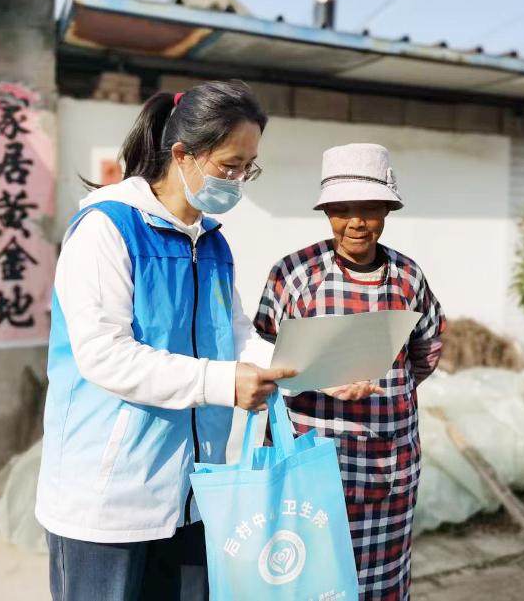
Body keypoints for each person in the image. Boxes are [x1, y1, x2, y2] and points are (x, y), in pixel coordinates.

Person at [36, 80, 295, 601]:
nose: (240, 180)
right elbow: (105, 356)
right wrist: (222, 383)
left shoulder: (213, 242)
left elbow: (235, 333)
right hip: (107, 501)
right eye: (230, 166)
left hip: (194, 495)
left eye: (249, 167)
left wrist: (306, 366)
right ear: (182, 154)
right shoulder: (106, 230)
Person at [253, 143, 445, 600]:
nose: (356, 222)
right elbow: (262, 348)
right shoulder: (295, 274)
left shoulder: (407, 277)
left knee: (380, 584)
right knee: (307, 580)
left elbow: (427, 350)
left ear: (387, 210)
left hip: (388, 468)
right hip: (310, 464)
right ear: (326, 212)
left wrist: (388, 390)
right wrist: (318, 375)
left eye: (369, 209)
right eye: (341, 209)